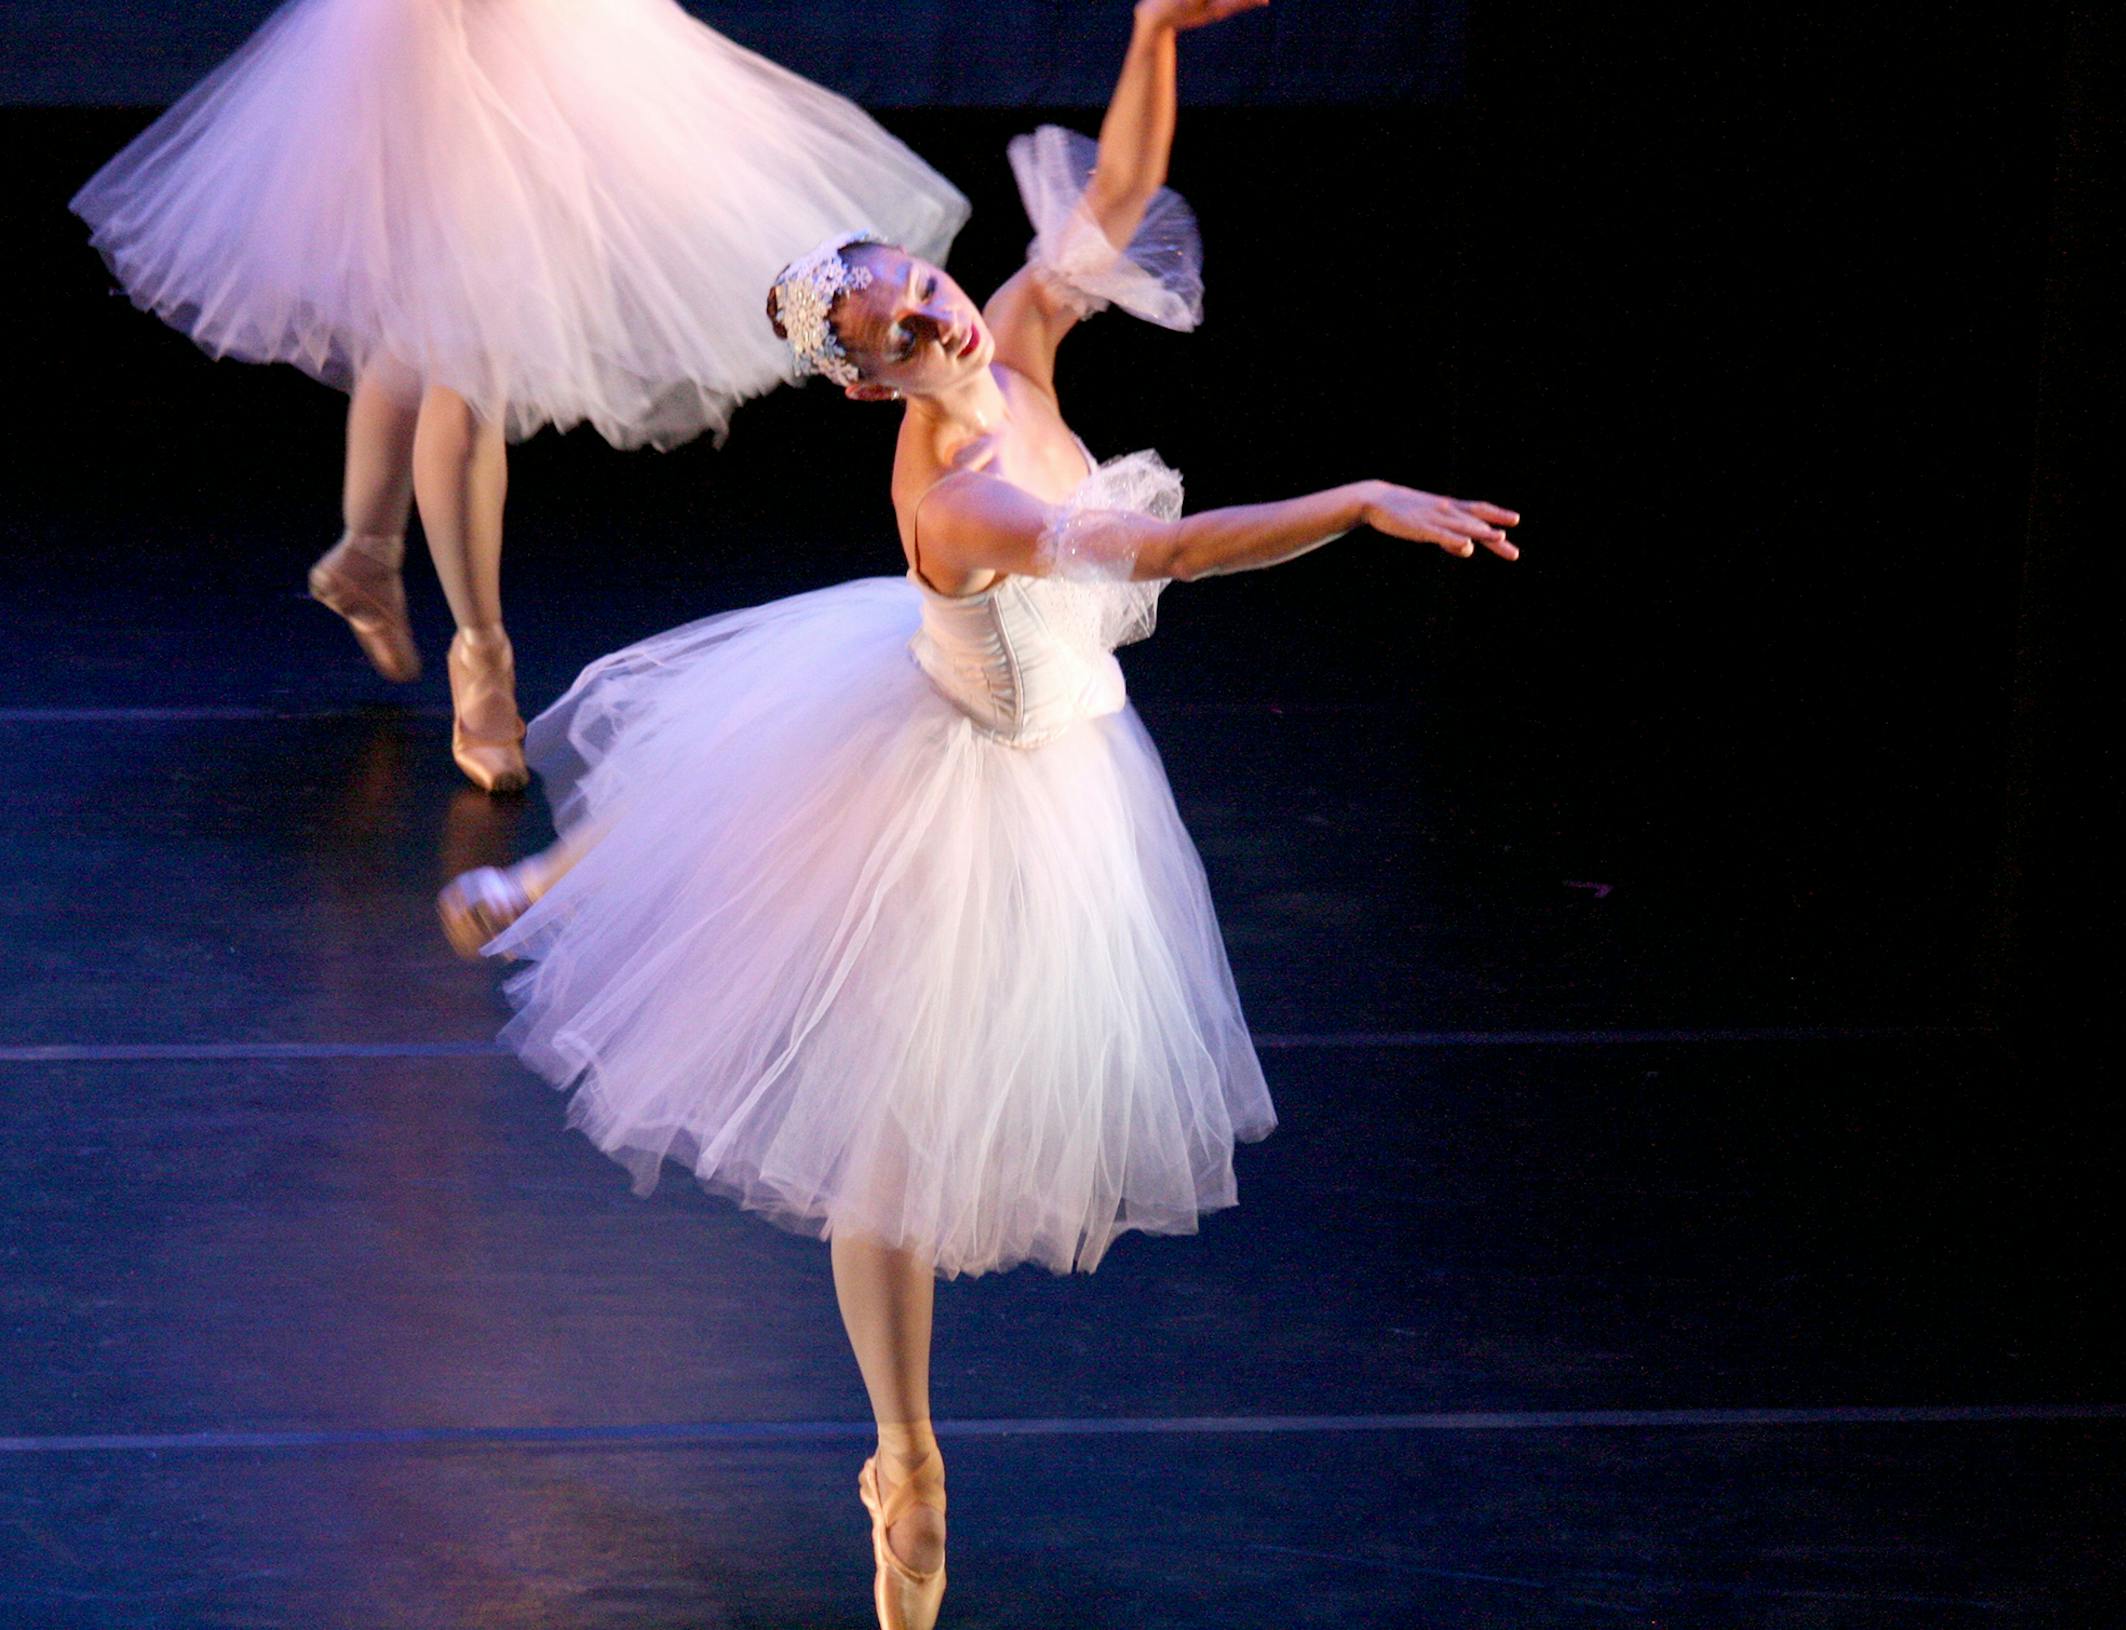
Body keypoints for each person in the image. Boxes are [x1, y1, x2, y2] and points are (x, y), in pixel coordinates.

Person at [439, 2, 1518, 1623]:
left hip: (1020, 741)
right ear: (871, 386)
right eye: (901, 328)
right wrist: (1360, 502)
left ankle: (542, 883)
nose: (942, 320)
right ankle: (907, 1458)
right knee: (891, 1155)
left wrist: (1156, 31)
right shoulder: (962, 503)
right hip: (963, 780)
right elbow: (1172, 552)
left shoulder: (1009, 342)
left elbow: (1109, 207)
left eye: (930, 288)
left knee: (714, 780)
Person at [70, 0, 967, 792]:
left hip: (544, 41)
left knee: (427, 322)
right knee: (467, 349)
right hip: (436, 48)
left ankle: (366, 555)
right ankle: (481, 658)